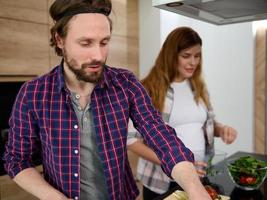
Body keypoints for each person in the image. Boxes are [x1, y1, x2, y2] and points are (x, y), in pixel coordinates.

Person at [3, 1, 212, 200]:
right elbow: (16, 160)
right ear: (59, 40)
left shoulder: (126, 83)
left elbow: (160, 135)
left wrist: (194, 187)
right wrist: (52, 196)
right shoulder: (32, 94)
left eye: (104, 42)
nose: (98, 55)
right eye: (86, 43)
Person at [127, 26, 238, 200]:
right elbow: (132, 141)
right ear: (171, 55)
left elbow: (204, 124)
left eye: (197, 55)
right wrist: (179, 163)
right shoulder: (147, 89)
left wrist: (221, 129)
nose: (193, 62)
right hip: (162, 181)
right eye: (186, 56)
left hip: (200, 175)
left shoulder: (198, 87)